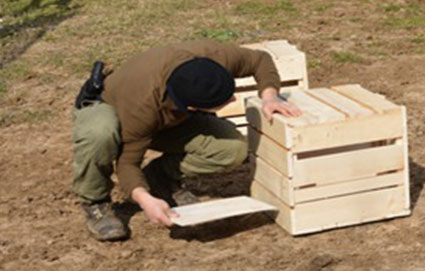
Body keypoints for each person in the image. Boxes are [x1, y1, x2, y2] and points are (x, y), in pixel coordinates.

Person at [71, 40, 302, 241]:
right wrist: (144, 199)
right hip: (110, 109)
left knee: (232, 148)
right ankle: (95, 202)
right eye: (225, 101)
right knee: (99, 133)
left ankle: (160, 177)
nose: (233, 99)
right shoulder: (142, 109)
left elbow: (260, 60)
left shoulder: (213, 58)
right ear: (192, 107)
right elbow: (127, 163)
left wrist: (270, 97)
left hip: (169, 116)